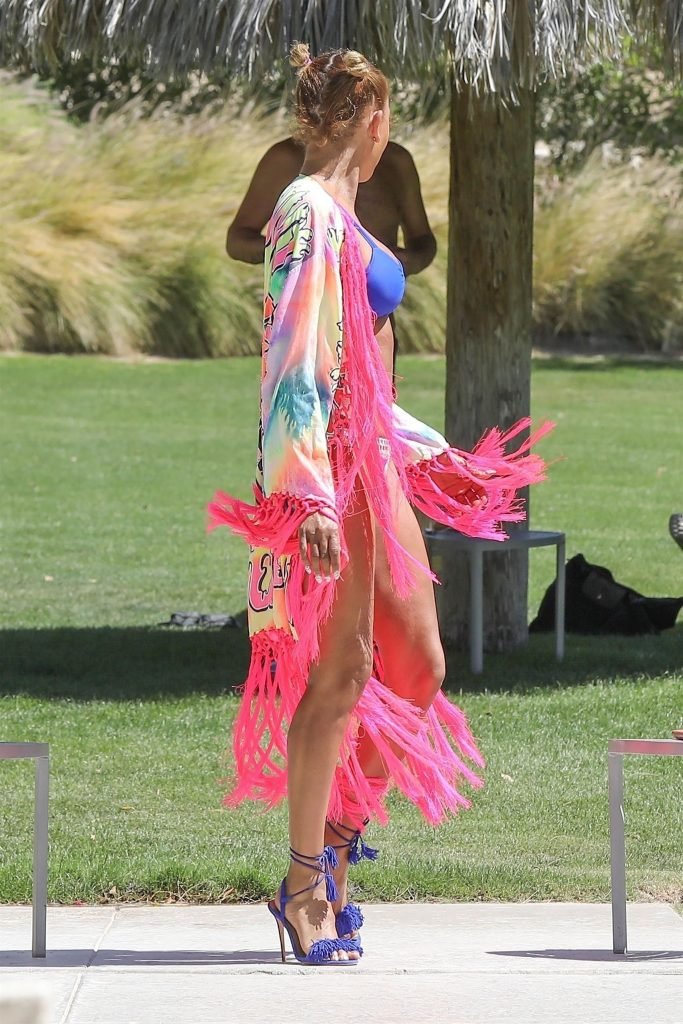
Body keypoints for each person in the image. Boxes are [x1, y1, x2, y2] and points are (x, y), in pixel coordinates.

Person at [209, 44, 551, 967]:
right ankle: (303, 885)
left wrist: (428, 454)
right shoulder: (305, 208)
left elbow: (362, 365)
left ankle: (336, 845)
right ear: (373, 120)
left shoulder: (342, 207)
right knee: (342, 672)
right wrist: (310, 496)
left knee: (418, 665)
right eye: (384, 119)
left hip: (374, 461)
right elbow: (293, 358)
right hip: (330, 471)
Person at [225, 130, 437, 376]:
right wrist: (305, 251)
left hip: (375, 335)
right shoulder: (286, 158)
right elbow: (237, 240)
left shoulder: (395, 161)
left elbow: (423, 241)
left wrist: (400, 262)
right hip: (307, 334)